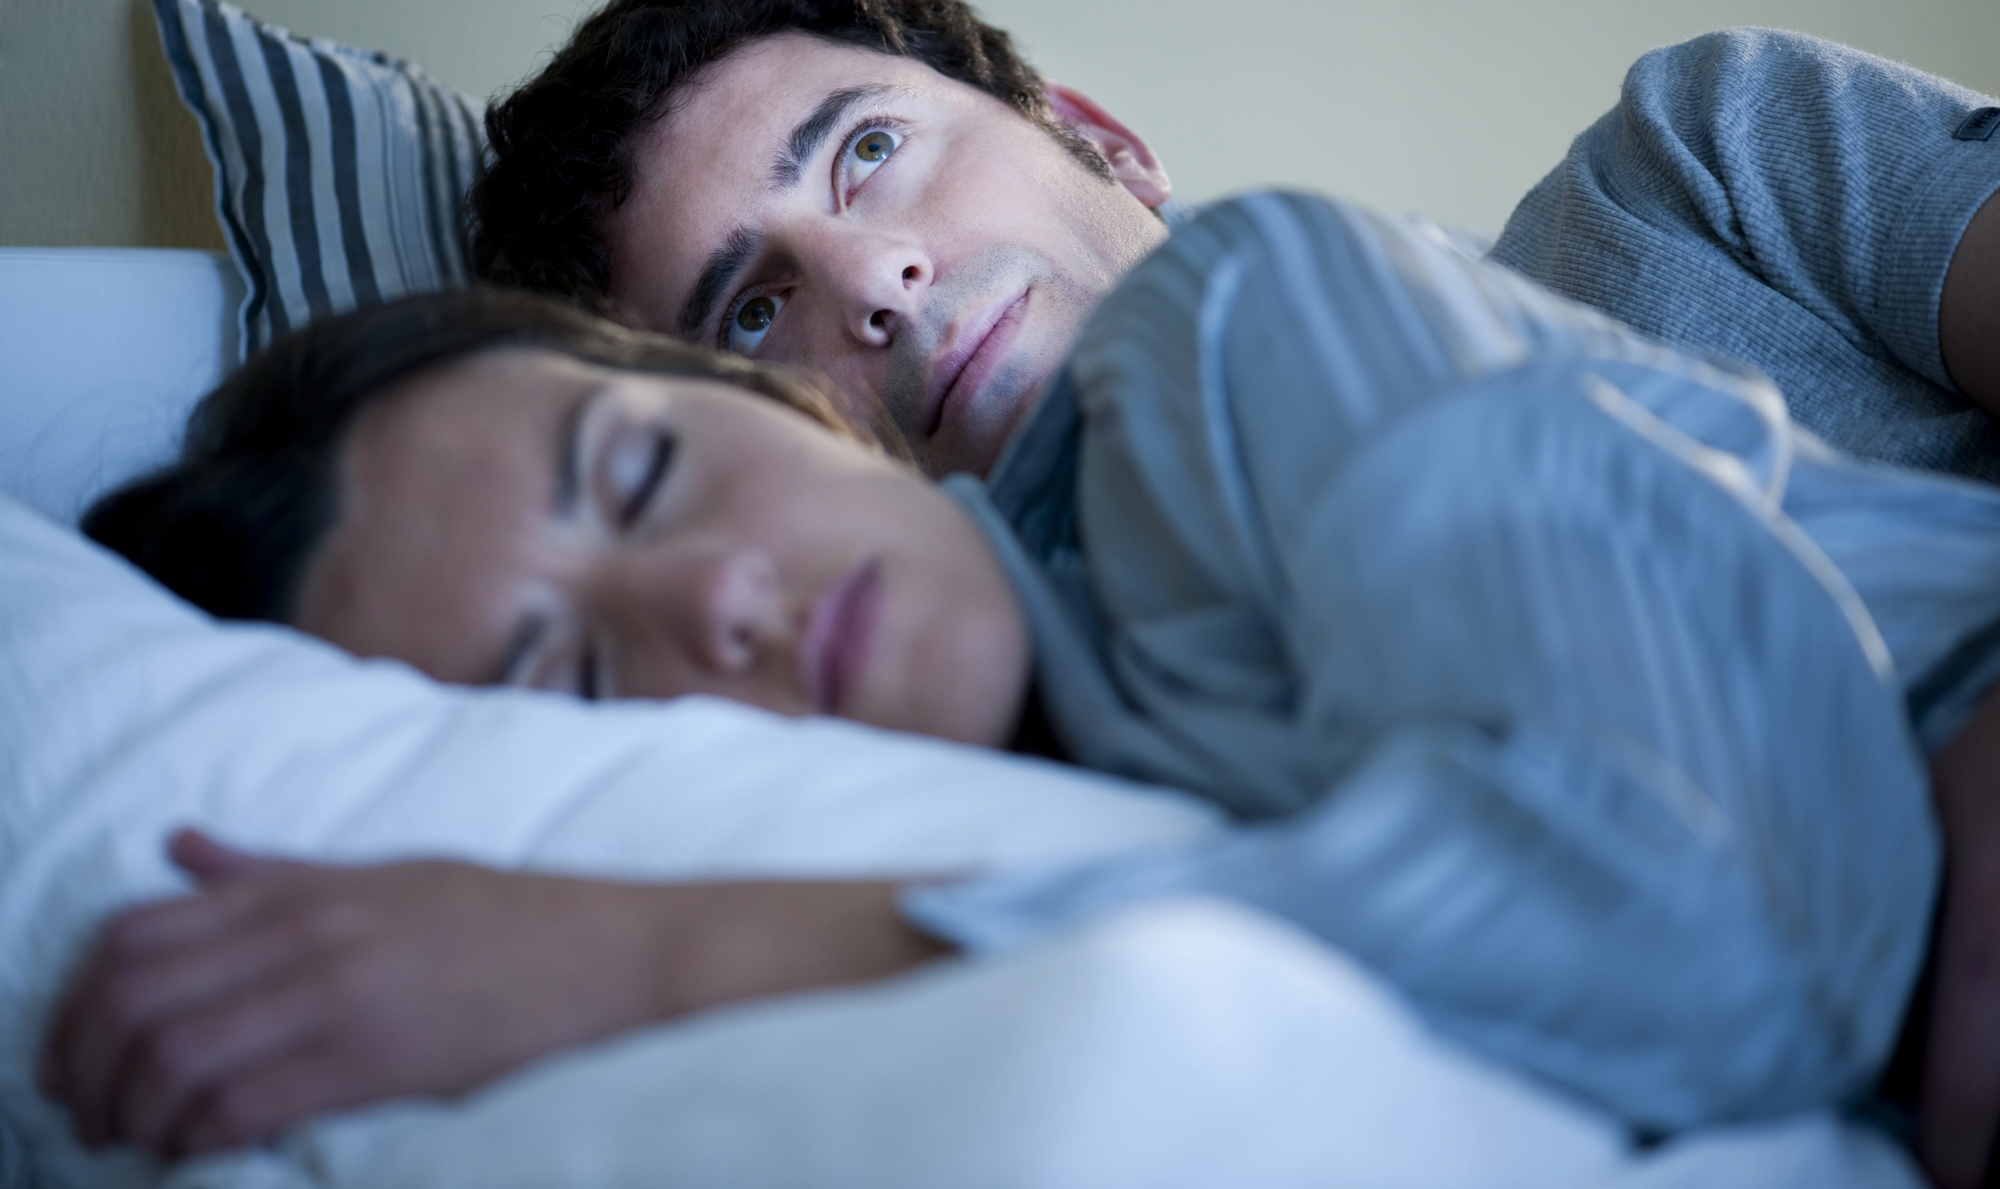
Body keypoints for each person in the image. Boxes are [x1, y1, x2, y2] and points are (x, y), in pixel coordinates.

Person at [48, 193, 2000, 1188]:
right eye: (567, 681)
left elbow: (1717, 911)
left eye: (642, 474)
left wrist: (646, 954)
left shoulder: (1224, 333)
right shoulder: (1090, 778)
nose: (715, 603)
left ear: (791, 405)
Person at [466, 0, 2000, 490]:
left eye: (868, 151)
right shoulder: (1062, 763)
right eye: (749, 312)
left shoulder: (1706, 161)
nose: (869, 279)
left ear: (1105, 142)